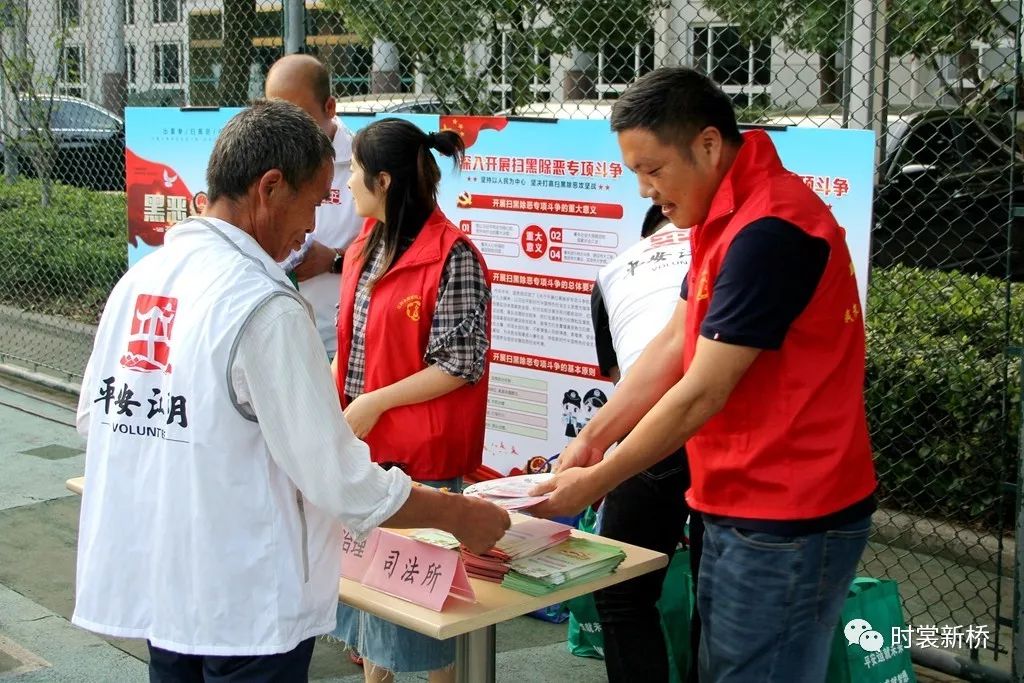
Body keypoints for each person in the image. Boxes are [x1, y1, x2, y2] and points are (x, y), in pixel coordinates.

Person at [72, 100, 510, 682]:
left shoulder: (141, 280)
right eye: (314, 202)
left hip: (169, 584)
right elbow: (338, 479)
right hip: (248, 596)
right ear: (270, 187)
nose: (314, 226)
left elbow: (95, 419)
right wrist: (458, 515)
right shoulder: (265, 305)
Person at [532, 67, 877, 682]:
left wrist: (600, 479)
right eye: (635, 172)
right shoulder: (724, 214)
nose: (645, 190)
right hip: (734, 496)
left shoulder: (771, 229)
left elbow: (702, 391)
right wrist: (593, 438)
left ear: (709, 144)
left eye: (653, 170)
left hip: (788, 510)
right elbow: (672, 343)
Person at [331, 117, 491, 682]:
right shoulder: (363, 247)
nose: (346, 181)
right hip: (365, 452)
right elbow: (349, 346)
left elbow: (459, 364)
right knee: (371, 603)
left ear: (384, 181)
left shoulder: (454, 256)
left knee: (424, 618)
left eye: (354, 170)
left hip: (420, 459)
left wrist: (374, 402)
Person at [589, 202, 702, 683]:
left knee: (622, 587)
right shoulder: (724, 248)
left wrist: (595, 455)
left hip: (654, 427)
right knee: (717, 596)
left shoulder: (615, 270)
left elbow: (625, 380)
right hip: (726, 429)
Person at [265, 54, 360, 358]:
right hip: (275, 340)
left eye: (298, 116)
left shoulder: (365, 165)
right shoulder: (261, 160)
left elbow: (396, 256)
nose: (285, 128)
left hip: (340, 345)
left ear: (329, 107)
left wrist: (336, 259)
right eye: (275, 114)